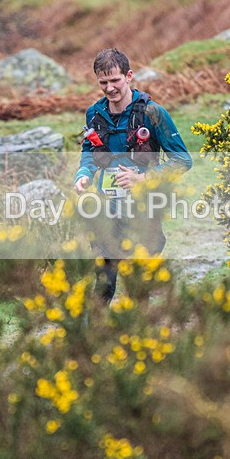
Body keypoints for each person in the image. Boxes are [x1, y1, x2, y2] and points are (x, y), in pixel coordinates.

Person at [74, 48, 192, 304]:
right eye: (103, 82)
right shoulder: (94, 114)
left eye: (115, 80)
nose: (110, 88)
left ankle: (141, 337)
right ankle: (94, 339)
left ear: (129, 76)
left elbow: (183, 160)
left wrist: (143, 179)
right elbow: (89, 152)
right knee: (104, 278)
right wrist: (84, 174)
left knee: (139, 282)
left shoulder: (153, 113)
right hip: (106, 207)